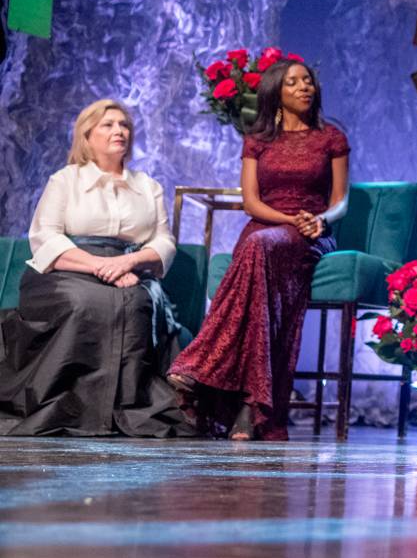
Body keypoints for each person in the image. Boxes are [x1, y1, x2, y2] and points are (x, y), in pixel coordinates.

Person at [169, 59, 348, 440]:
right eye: (293, 82)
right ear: (275, 93)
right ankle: (251, 408)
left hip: (313, 231)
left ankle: (200, 369)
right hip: (267, 224)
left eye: (308, 81)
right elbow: (251, 203)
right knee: (257, 245)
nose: (305, 87)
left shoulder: (330, 137)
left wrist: (319, 221)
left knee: (259, 248)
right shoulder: (257, 139)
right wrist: (287, 219)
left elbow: (340, 201)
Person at [0, 99, 187, 436]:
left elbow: (164, 241)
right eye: (108, 124)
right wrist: (102, 266)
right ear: (87, 136)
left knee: (136, 304)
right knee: (85, 303)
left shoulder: (148, 186)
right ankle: (69, 407)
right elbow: (45, 238)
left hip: (132, 269)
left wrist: (127, 261)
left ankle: (127, 408)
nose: (119, 131)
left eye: (124, 125)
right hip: (68, 268)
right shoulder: (65, 180)